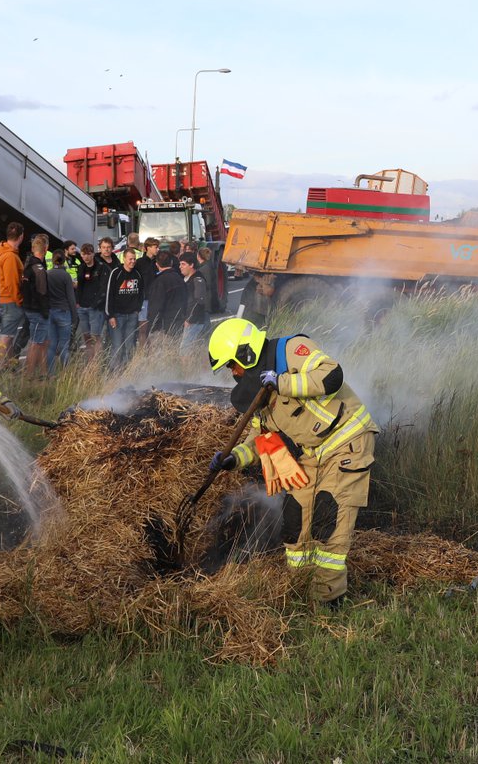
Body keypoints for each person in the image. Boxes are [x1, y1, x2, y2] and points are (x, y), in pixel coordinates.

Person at [207, 318, 379, 605]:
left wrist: (282, 381)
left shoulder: (291, 351)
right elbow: (261, 439)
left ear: (246, 354)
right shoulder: (259, 388)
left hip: (347, 443)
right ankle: (301, 589)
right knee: (294, 521)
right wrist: (233, 458)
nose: (233, 373)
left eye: (232, 365)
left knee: (328, 521)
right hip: (311, 456)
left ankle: (328, 602)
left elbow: (332, 376)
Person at [105, 248, 144, 369]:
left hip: (132, 315)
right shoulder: (116, 273)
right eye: (130, 259)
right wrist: (110, 315)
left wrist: (137, 309)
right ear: (124, 259)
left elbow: (141, 293)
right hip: (117, 315)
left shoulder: (137, 274)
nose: (132, 261)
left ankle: (127, 371)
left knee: (130, 345)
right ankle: (114, 372)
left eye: (134, 259)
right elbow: (109, 295)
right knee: (117, 345)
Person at [20, 235, 52, 375]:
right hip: (37, 309)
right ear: (45, 249)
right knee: (36, 342)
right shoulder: (38, 268)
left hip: (28, 307)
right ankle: (29, 375)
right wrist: (45, 311)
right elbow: (42, 292)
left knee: (42, 341)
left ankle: (43, 372)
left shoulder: (28, 264)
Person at [45, 246, 78, 369]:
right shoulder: (65, 276)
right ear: (64, 260)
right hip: (64, 311)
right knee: (64, 344)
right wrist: (74, 316)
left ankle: (51, 373)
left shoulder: (47, 274)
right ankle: (66, 371)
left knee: (51, 345)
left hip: (50, 311)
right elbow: (71, 297)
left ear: (52, 260)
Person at [0, 223, 26, 357]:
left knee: (8, 333)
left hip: (6, 298)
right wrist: (19, 299)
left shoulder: (6, 254)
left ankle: (6, 363)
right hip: (10, 299)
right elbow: (12, 282)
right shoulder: (10, 257)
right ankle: (2, 365)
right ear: (21, 237)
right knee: (7, 334)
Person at [73, 243, 107, 352]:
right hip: (82, 307)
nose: (86, 257)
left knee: (95, 336)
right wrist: (77, 302)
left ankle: (97, 362)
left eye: (88, 254)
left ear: (93, 254)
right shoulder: (81, 267)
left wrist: (95, 304)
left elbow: (103, 288)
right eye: (83, 254)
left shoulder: (101, 267)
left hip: (94, 308)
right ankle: (90, 362)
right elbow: (79, 287)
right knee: (86, 337)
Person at [145, 250, 185, 341]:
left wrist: (152, 327)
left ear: (157, 264)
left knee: (161, 354)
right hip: (178, 323)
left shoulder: (159, 282)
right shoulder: (179, 279)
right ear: (171, 262)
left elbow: (155, 306)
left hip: (162, 327)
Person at [180, 252, 210, 344]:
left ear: (191, 265)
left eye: (183, 264)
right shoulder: (186, 278)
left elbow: (199, 300)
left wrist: (189, 319)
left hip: (195, 321)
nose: (180, 266)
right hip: (190, 320)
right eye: (180, 264)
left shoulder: (197, 279)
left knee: (185, 351)